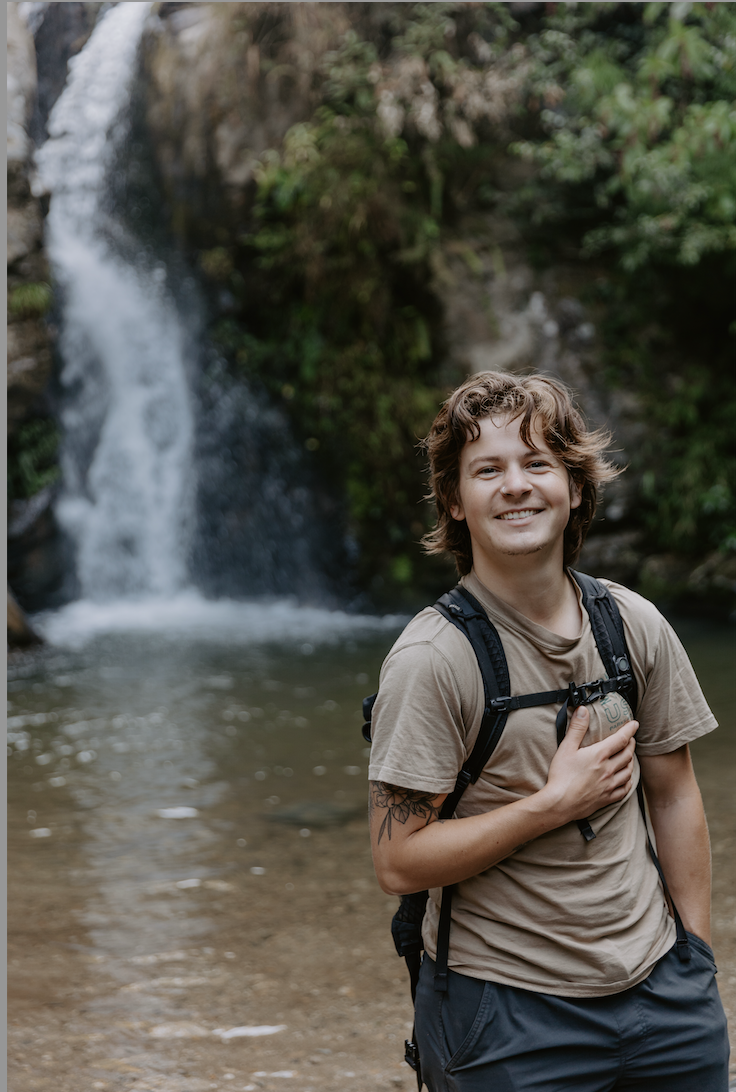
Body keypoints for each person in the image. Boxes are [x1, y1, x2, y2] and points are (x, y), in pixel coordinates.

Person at [368, 371, 729, 1092]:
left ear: (574, 487)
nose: (516, 486)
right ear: (455, 502)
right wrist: (550, 806)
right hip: (507, 1015)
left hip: (664, 996)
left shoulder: (633, 625)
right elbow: (397, 863)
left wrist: (695, 953)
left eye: (537, 463)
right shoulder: (433, 660)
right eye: (488, 470)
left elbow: (676, 793)